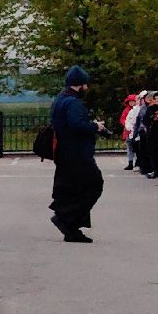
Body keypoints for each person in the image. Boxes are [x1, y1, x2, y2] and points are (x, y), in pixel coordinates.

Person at [48, 65, 103, 242]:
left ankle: (71, 227)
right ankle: (66, 217)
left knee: (72, 189)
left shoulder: (60, 99)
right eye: (85, 85)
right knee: (94, 185)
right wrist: (95, 126)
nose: (87, 88)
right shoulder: (73, 102)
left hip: (65, 152)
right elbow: (77, 125)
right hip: (77, 153)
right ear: (80, 85)